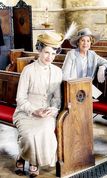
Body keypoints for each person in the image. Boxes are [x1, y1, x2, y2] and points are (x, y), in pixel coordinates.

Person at [13, 31, 64, 177]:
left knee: (44, 131)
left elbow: (57, 98)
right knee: (29, 136)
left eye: (53, 54)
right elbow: (20, 99)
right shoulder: (28, 70)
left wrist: (53, 109)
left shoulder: (57, 72)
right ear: (39, 50)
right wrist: (34, 111)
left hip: (47, 113)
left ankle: (32, 161)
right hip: (26, 112)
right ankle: (22, 156)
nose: (50, 57)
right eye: (47, 52)